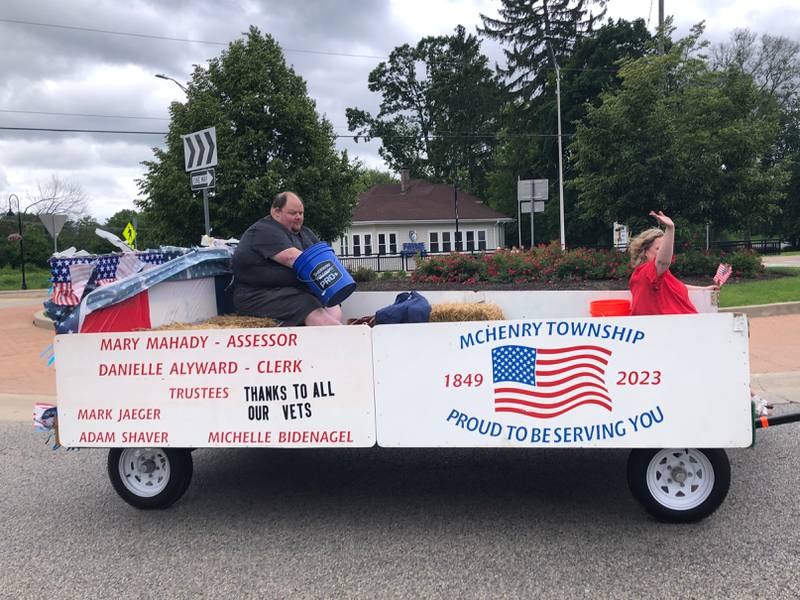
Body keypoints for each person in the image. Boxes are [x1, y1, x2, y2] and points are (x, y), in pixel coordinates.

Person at [628, 210, 772, 416]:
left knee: (728, 351)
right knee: (727, 347)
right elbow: (662, 262)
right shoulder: (647, 273)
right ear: (646, 252)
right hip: (675, 338)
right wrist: (670, 228)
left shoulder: (659, 275)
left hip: (683, 333)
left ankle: (748, 396)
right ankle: (747, 398)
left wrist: (704, 290)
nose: (663, 253)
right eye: (658, 249)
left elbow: (679, 285)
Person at [232, 191, 343, 326]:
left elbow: (324, 258)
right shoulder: (264, 230)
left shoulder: (305, 233)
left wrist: (335, 289)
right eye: (293, 213)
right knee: (307, 303)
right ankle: (341, 339)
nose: (298, 217)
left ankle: (335, 334)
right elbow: (292, 258)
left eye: (301, 213)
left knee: (329, 300)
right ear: (276, 212)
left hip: (290, 292)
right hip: (257, 296)